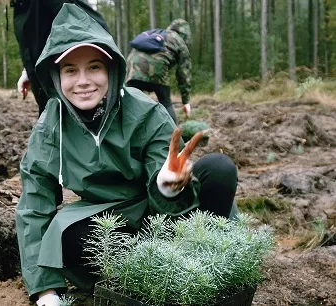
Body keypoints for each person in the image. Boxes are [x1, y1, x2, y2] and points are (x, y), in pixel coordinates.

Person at [16, 4, 239, 306]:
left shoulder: (146, 112)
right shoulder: (49, 128)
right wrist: (45, 291)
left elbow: (166, 192)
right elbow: (34, 207)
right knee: (64, 236)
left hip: (158, 212)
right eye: (70, 70)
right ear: (55, 76)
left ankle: (202, 268)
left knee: (219, 169)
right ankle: (143, 278)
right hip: (109, 223)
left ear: (111, 69)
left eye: (93, 67)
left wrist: (167, 184)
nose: (83, 81)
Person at [0, 0, 109, 117]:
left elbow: (90, 28)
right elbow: (38, 40)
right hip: (47, 96)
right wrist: (28, 71)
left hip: (69, 97)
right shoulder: (21, 4)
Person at [125, 19, 193, 124]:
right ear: (185, 34)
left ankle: (126, 131)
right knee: (165, 102)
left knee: (129, 103)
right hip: (156, 70)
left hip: (132, 69)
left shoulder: (158, 34)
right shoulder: (180, 41)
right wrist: (186, 101)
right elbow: (184, 73)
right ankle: (172, 135)